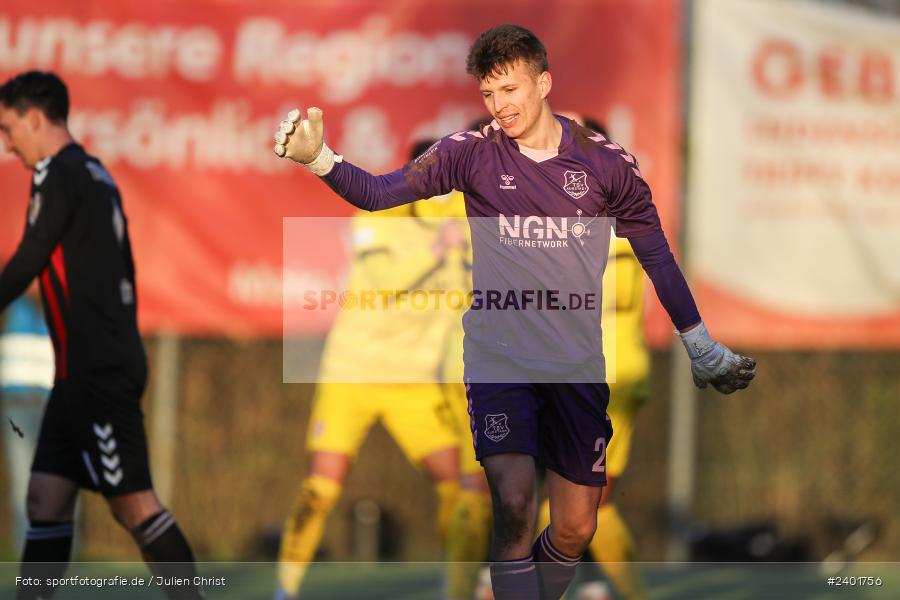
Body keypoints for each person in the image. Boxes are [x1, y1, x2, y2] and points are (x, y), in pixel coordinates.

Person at [272, 24, 756, 600]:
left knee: (576, 527)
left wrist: (698, 342)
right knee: (516, 504)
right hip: (498, 361)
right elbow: (379, 193)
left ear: (544, 82)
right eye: (489, 94)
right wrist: (319, 158)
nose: (500, 107)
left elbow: (656, 254)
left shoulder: (606, 167)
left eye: (510, 90)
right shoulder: (469, 154)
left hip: (576, 367)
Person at [0, 70, 202, 600]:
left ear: (34, 118)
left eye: (8, 127)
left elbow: (29, 257)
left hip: (95, 372)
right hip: (80, 373)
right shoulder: (96, 173)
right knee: (44, 500)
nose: (7, 142)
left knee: (134, 506)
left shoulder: (54, 172)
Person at [274, 140, 469, 600]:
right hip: (352, 376)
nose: (439, 190)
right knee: (319, 490)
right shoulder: (379, 213)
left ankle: (456, 586)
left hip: (414, 384)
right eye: (431, 177)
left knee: (461, 488)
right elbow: (384, 284)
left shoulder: (458, 217)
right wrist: (438, 251)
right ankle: (284, 591)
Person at [1, 289, 54, 550]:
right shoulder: (10, 299)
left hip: (54, 405)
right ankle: (26, 550)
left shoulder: (62, 302)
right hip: (17, 406)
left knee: (59, 481)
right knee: (23, 482)